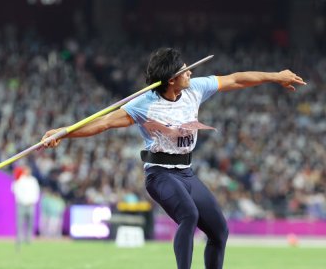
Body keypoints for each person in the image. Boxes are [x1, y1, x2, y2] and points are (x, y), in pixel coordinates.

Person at [41, 47, 306, 269]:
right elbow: (104, 123)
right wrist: (64, 134)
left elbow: (236, 79)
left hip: (186, 172)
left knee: (219, 232)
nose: (190, 71)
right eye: (185, 69)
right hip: (159, 174)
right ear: (171, 79)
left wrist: (275, 76)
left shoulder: (195, 89)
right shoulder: (143, 104)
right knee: (188, 214)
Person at [11, 165, 41, 249]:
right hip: (21, 204)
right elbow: (15, 190)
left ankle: (29, 239)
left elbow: (36, 191)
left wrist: (33, 201)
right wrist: (23, 200)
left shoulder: (33, 180)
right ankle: (19, 238)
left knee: (30, 222)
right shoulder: (20, 180)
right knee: (20, 222)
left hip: (31, 204)